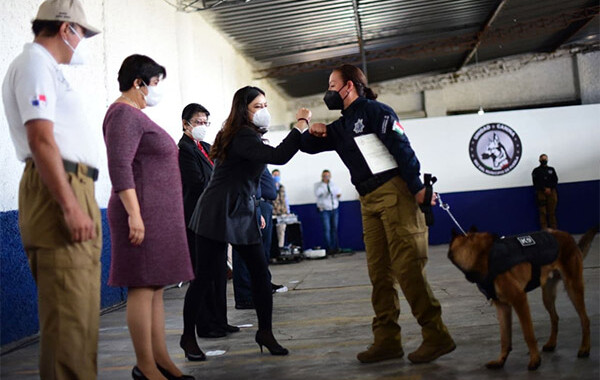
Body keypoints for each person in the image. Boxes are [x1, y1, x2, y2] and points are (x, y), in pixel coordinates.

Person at [300, 64, 455, 364]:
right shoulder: (342, 126)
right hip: (367, 200)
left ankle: (436, 335)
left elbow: (402, 148)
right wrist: (307, 124)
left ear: (349, 86)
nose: (328, 91)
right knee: (379, 273)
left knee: (408, 268)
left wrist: (417, 187)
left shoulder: (376, 111)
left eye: (333, 85)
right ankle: (387, 341)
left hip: (394, 193)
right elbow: (307, 146)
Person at [2, 1, 103, 378]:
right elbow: (41, 140)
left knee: (81, 318)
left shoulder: (46, 69)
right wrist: (70, 206)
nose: (81, 41)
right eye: (81, 32)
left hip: (74, 185)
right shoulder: (34, 65)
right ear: (65, 29)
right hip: (60, 187)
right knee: (68, 327)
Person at [182, 86, 310, 358]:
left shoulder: (249, 136)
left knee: (261, 275)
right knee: (204, 277)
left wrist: (253, 211)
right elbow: (279, 157)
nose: (263, 111)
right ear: (243, 109)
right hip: (216, 211)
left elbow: (251, 177)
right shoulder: (240, 135)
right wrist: (300, 125)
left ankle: (265, 332)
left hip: (241, 210)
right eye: (257, 106)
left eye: (265, 105)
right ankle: (187, 338)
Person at [103, 54, 195, 380]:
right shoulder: (123, 114)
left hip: (156, 215)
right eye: (155, 83)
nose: (157, 90)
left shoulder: (136, 115)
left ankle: (161, 360)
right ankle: (144, 365)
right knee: (142, 288)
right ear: (138, 82)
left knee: (155, 287)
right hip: (139, 213)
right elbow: (119, 166)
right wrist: (134, 215)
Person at [178, 103, 238, 340]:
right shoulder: (183, 149)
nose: (203, 126)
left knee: (218, 272)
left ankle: (220, 321)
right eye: (198, 122)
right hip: (197, 218)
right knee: (202, 274)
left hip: (216, 216)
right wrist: (218, 185)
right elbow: (196, 182)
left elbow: (221, 173)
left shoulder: (206, 147)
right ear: (186, 124)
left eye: (206, 122)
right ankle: (204, 325)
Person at [314, 169, 342, 254]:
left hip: (334, 208)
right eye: (325, 176)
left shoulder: (333, 185)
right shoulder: (318, 186)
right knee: (327, 229)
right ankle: (329, 248)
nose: (326, 177)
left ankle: (335, 247)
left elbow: (339, 193)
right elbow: (317, 194)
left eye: (328, 176)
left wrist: (338, 195)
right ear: (322, 176)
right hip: (324, 210)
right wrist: (326, 190)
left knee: (334, 229)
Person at [532, 154, 559, 229]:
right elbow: (535, 182)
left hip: (552, 192)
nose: (544, 160)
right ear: (539, 160)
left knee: (552, 212)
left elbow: (555, 180)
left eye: (545, 159)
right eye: (542, 159)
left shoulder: (551, 169)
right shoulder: (536, 171)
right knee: (542, 212)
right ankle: (544, 230)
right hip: (541, 193)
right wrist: (544, 189)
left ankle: (554, 230)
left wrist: (549, 188)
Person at [271, 169, 290, 249]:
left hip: (282, 213)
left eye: (277, 175)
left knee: (281, 232)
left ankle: (280, 248)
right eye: (275, 175)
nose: (276, 177)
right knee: (272, 233)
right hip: (273, 213)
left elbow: (286, 200)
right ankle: (272, 251)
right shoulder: (270, 187)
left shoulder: (282, 187)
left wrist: (288, 211)